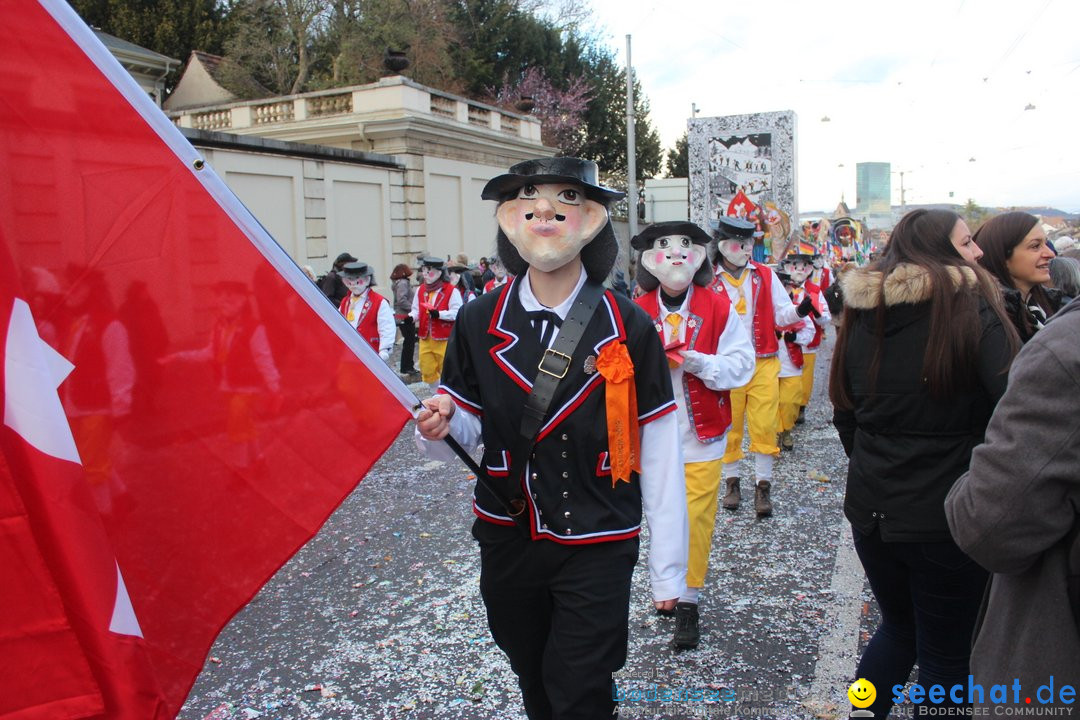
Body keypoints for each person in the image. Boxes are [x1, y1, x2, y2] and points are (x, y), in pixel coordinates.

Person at [415, 157, 688, 720]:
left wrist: (669, 568)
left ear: (590, 218)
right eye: (531, 195)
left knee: (581, 682)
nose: (546, 208)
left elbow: (659, 449)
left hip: (600, 532)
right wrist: (440, 421)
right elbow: (466, 425)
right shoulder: (477, 318)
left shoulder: (629, 324)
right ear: (511, 217)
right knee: (532, 673)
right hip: (509, 535)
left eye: (565, 196)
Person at [829, 208, 1018, 719]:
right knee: (947, 656)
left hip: (873, 511)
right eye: (965, 243)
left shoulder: (864, 314)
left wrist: (877, 469)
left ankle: (861, 712)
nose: (978, 251)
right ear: (939, 251)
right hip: (947, 514)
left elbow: (844, 411)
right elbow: (1015, 411)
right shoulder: (973, 309)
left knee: (898, 628)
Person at [944, 298, 1080, 703]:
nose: (976, 250)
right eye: (965, 242)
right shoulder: (1057, 343)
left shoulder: (1061, 347)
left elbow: (989, 524)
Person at [632, 221, 755, 650]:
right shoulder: (636, 309)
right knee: (660, 514)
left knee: (697, 518)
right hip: (650, 437)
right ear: (650, 260)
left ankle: (689, 600)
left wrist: (697, 361)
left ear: (700, 255)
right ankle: (666, 585)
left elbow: (742, 366)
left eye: (686, 245)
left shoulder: (718, 306)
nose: (676, 253)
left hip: (702, 434)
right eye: (664, 246)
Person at [710, 216, 820, 517]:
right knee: (729, 426)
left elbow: (782, 313)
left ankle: (763, 487)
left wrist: (798, 310)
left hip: (764, 362)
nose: (746, 249)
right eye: (739, 243)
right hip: (726, 365)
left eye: (749, 244)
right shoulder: (706, 279)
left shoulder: (764, 275)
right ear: (721, 245)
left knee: (764, 424)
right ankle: (732, 483)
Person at [975, 211, 1067, 342]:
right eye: (1035, 246)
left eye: (1046, 244)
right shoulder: (991, 321)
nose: (1050, 253)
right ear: (1002, 256)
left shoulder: (1049, 304)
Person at [779, 253, 831, 425]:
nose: (799, 269)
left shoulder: (815, 291)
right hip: (783, 345)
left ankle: (800, 408)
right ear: (787, 267)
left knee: (805, 380)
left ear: (810, 268)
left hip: (807, 345)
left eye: (804, 265)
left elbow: (825, 319)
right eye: (795, 265)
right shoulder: (780, 288)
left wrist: (816, 312)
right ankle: (783, 416)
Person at [773, 268, 815, 451]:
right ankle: (776, 432)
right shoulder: (763, 310)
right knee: (771, 402)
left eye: (786, 287)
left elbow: (809, 330)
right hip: (769, 365)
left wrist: (795, 339)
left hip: (791, 364)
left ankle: (787, 429)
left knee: (790, 401)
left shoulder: (797, 309)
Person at [410, 257, 463, 390]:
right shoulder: (421, 290)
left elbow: (458, 312)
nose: (425, 275)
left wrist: (440, 314)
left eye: (429, 271)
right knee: (426, 369)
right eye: (424, 271)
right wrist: (410, 318)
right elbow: (416, 310)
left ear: (439, 272)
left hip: (444, 338)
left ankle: (447, 394)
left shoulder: (451, 291)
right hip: (425, 337)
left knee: (446, 369)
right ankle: (435, 392)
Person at [337, 261, 395, 362]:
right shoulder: (345, 301)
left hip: (371, 355)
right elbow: (338, 324)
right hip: (347, 355)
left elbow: (387, 328)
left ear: (367, 280)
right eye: (349, 279)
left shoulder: (379, 302)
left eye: (357, 279)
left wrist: (384, 351)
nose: (353, 283)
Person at [390, 263, 418, 378]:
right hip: (405, 316)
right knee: (409, 341)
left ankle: (407, 366)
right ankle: (407, 367)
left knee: (409, 341)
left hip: (402, 315)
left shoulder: (398, 283)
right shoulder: (403, 283)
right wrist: (414, 308)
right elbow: (401, 300)